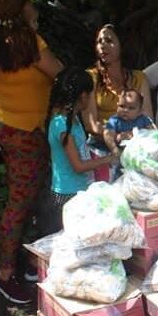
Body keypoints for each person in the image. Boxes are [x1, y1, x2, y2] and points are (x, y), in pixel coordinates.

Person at [0, 0, 63, 304]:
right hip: (30, 132)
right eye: (27, 1)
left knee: (26, 197)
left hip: (6, 125)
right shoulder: (28, 42)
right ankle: (4, 274)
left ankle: (29, 263)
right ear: (20, 5)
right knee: (22, 201)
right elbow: (60, 72)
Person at [47, 68, 121, 231]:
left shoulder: (74, 120)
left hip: (80, 188)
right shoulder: (61, 124)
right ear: (83, 96)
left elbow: (80, 150)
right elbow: (78, 166)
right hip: (67, 193)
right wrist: (109, 159)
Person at [83, 24, 153, 142]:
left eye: (109, 41)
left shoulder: (139, 78)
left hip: (136, 144)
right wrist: (117, 137)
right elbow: (91, 125)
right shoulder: (91, 77)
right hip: (101, 145)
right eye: (99, 42)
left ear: (122, 46)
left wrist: (131, 137)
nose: (102, 46)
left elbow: (148, 119)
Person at [103, 88, 157, 153]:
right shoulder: (115, 120)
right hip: (121, 152)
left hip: (141, 151)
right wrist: (115, 146)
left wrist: (141, 135)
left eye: (131, 108)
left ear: (140, 111)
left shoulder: (143, 119)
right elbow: (107, 135)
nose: (125, 110)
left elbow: (153, 132)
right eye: (122, 106)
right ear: (117, 105)